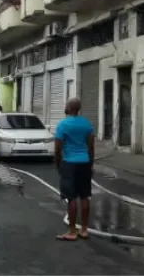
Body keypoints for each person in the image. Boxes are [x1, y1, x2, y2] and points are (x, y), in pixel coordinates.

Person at [53, 97, 95, 242]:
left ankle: (72, 231)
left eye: (66, 104)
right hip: (84, 163)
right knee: (85, 196)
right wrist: (91, 165)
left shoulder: (62, 125)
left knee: (71, 198)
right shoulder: (87, 124)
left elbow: (57, 148)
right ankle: (84, 230)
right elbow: (91, 147)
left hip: (69, 164)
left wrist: (58, 165)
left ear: (69, 108)